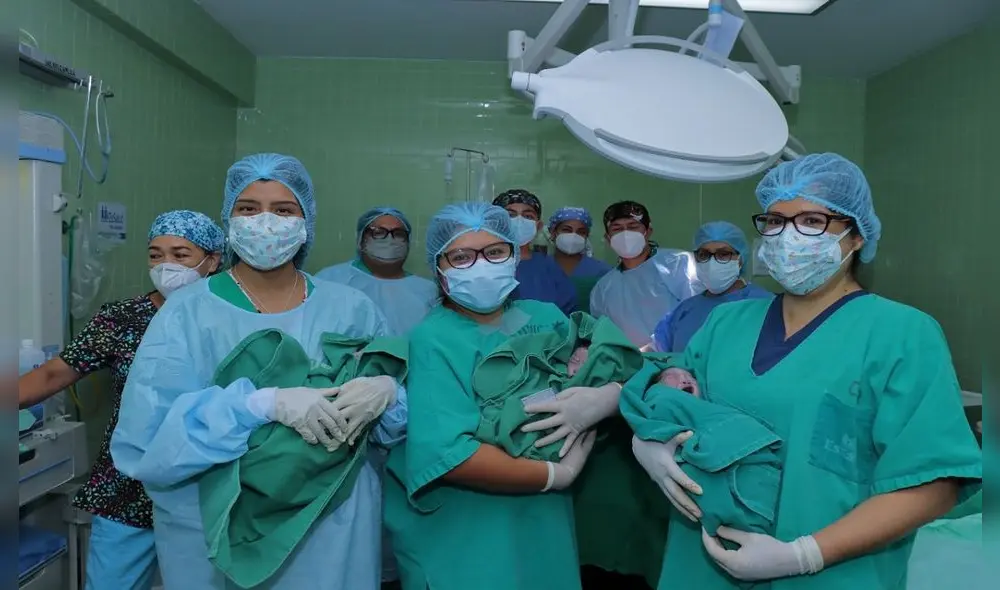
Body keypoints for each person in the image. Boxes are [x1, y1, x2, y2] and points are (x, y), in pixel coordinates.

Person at [631, 153, 982, 589]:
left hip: (833, 574)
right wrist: (645, 437)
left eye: (812, 221)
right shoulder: (725, 325)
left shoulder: (902, 334)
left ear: (856, 237)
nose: (787, 235)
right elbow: (668, 391)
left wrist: (806, 554)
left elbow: (936, 480)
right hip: (699, 566)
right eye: (776, 221)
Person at [110, 153, 407, 590]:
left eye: (283, 210)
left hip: (333, 526)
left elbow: (395, 431)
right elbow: (148, 441)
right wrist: (257, 404)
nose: (265, 222)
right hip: (218, 524)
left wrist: (389, 393)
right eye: (248, 208)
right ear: (228, 219)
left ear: (306, 221)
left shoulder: (351, 307)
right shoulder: (187, 312)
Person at [384, 202, 626, 590]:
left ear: (514, 256)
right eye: (462, 256)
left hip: (543, 526)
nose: (481, 265)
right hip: (466, 536)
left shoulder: (545, 317)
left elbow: (618, 360)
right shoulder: (433, 340)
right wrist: (553, 475)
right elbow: (448, 454)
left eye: (495, 252)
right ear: (439, 269)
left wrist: (607, 397)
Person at [18, 210, 225, 590]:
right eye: (155, 254)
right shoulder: (122, 318)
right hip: (128, 484)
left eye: (180, 255)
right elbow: (52, 374)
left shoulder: (233, 318)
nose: (166, 266)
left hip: (205, 485)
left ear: (212, 260)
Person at [589, 201, 701, 346]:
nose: (625, 234)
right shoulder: (603, 289)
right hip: (630, 364)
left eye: (633, 227)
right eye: (617, 229)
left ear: (648, 231)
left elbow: (697, 313)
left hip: (678, 359)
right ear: (608, 238)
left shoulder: (679, 264)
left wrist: (656, 348)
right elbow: (601, 335)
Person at [650, 221, 772, 353]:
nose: (712, 262)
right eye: (704, 254)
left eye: (723, 254)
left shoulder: (765, 306)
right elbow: (657, 351)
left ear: (740, 259)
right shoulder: (685, 310)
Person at [317, 207, 437, 336]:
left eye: (398, 234)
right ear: (361, 240)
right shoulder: (332, 280)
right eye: (379, 232)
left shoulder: (428, 292)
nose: (389, 239)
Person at [493, 189, 577, 314]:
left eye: (528, 216)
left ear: (538, 226)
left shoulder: (549, 268)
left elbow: (567, 312)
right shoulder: (485, 265)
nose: (519, 221)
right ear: (494, 223)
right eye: (510, 215)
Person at [548, 207, 613, 313]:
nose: (573, 236)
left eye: (581, 232)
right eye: (566, 230)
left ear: (586, 236)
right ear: (553, 232)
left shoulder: (603, 271)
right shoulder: (539, 267)